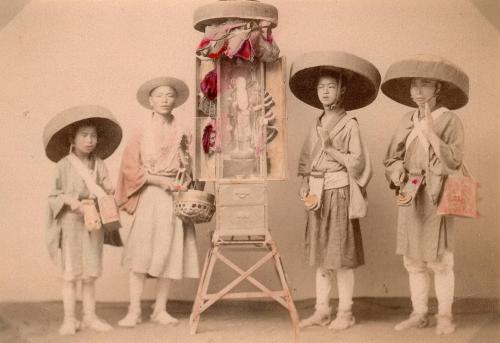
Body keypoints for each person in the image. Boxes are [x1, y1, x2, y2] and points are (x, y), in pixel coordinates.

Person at [289, 51, 380, 330]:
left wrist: (332, 151)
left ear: (341, 90)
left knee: (340, 256)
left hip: (339, 193)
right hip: (318, 194)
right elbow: (306, 159)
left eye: (331, 86)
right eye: (321, 87)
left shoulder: (349, 124)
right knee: (321, 257)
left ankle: (345, 312)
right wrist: (304, 181)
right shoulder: (316, 123)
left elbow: (359, 162)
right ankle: (321, 310)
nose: (325, 92)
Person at [382, 54, 469, 335]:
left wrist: (432, 135)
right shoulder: (407, 120)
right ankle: (419, 313)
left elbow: (454, 161)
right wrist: (396, 171)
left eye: (426, 84)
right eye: (414, 85)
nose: (419, 91)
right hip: (410, 192)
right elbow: (392, 158)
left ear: (438, 89)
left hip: (437, 193)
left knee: (440, 259)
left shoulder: (450, 120)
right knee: (413, 259)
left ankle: (445, 315)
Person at [115, 77, 199, 327]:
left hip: (175, 194)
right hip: (151, 193)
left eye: (169, 95)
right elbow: (130, 168)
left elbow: (189, 164)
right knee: (142, 252)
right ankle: (133, 310)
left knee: (170, 251)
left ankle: (160, 309)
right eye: (159, 95)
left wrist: (185, 179)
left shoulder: (183, 131)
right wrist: (157, 181)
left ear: (175, 100)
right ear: (150, 100)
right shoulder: (141, 131)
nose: (164, 100)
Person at [44, 105, 123, 335]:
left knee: (90, 274)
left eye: (93, 136)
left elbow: (108, 188)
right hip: (70, 223)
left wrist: (114, 193)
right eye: (84, 135)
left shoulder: (99, 163)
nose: (90, 140)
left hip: (94, 221)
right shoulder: (63, 165)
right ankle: (69, 319)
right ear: (73, 138)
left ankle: (89, 317)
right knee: (70, 275)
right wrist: (72, 202)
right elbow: (53, 195)